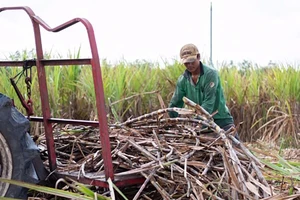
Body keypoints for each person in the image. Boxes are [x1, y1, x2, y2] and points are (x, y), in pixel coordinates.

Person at [168, 43, 239, 139]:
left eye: (192, 61)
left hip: (220, 120)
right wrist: (174, 122)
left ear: (198, 57)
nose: (189, 65)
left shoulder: (210, 74)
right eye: (186, 63)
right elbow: (175, 103)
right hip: (200, 122)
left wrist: (198, 123)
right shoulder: (183, 80)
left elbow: (209, 102)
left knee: (235, 149)